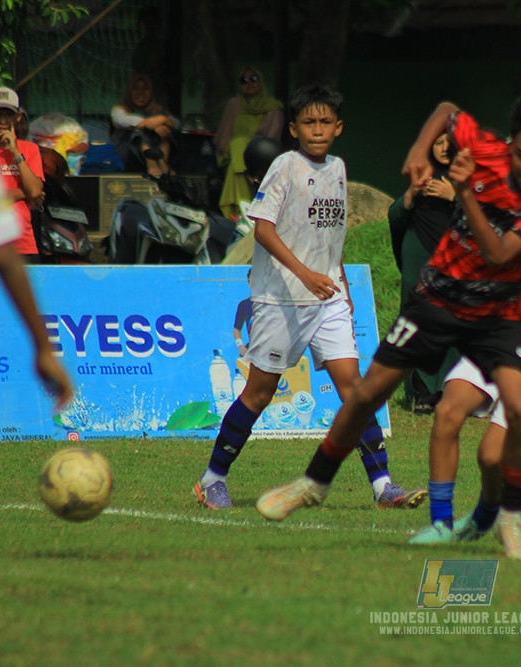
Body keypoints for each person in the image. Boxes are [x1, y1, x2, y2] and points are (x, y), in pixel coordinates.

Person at [254, 91, 521, 562]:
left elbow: (499, 254)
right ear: (510, 144)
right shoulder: (488, 150)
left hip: (497, 314)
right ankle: (313, 483)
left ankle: (511, 517)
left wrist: (465, 194)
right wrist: (419, 152)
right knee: (367, 393)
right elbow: (446, 111)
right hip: (438, 298)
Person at [192, 85, 425, 511]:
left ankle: (383, 487)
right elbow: (264, 229)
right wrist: (306, 275)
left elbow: (329, 238)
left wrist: (338, 285)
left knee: (356, 392)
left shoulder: (338, 168)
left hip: (327, 299)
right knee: (260, 393)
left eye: (325, 122)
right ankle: (212, 480)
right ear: (294, 129)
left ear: (339, 127)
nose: (317, 129)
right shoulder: (285, 167)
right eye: (308, 122)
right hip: (280, 299)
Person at [409, 225, 521, 553]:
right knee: (448, 411)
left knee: (490, 456)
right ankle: (441, 524)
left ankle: (489, 515)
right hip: (495, 336)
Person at [0, 116, 72, 410]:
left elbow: (31, 195)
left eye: (9, 113)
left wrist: (43, 346)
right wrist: (43, 346)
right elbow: (4, 253)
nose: (3, 119)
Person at [387, 132, 458, 413]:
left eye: (449, 142)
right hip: (419, 266)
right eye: (438, 143)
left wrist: (454, 197)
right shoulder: (421, 178)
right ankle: (423, 394)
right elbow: (395, 217)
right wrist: (410, 194)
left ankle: (452, 391)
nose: (444, 147)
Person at [0, 87, 45, 260]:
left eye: (8, 115)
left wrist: (16, 153)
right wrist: (24, 193)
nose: (3, 121)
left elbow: (35, 192)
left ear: (18, 117)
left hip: (24, 244)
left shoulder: (30, 149)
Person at [214, 67, 284, 219]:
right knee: (238, 144)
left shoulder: (273, 107)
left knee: (235, 165)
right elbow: (224, 137)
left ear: (261, 82)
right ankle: (246, 178)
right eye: (244, 80)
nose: (249, 83)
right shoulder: (234, 104)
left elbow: (271, 140)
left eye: (253, 79)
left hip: (258, 155)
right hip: (233, 151)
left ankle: (237, 211)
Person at [110, 74, 178, 176]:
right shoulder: (119, 109)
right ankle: (152, 163)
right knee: (142, 130)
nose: (140, 92)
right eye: (136, 89)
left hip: (154, 155)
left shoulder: (158, 110)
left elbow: (177, 123)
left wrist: (163, 120)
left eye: (145, 89)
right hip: (127, 157)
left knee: (164, 129)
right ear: (129, 92)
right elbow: (121, 121)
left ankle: (162, 163)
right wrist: (154, 124)